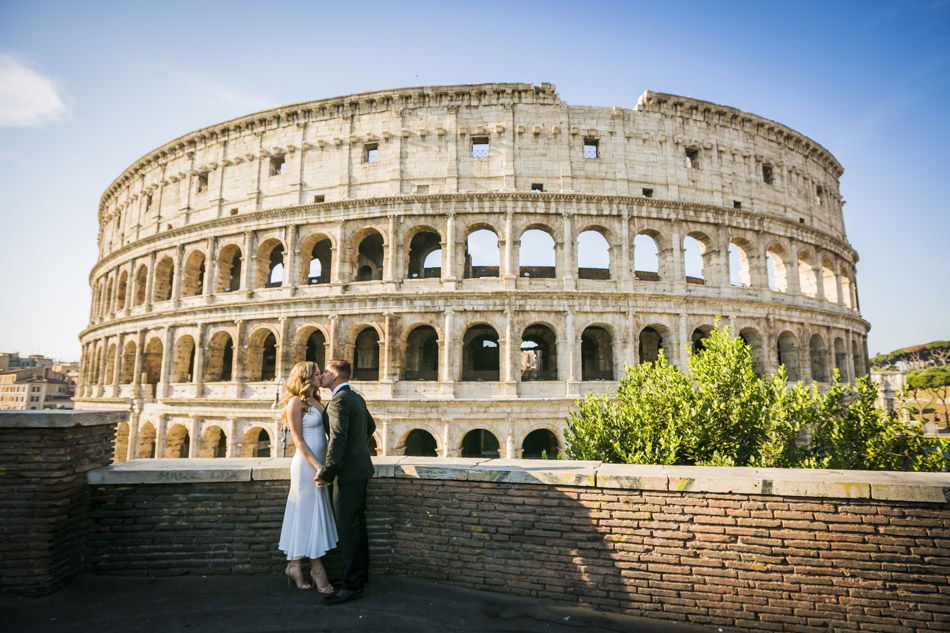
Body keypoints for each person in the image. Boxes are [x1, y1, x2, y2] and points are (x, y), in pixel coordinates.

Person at [316, 359, 376, 605]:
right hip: (361, 470)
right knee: (357, 526)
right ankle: (358, 577)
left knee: (348, 529)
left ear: (335, 375)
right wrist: (357, 449)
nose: (323, 376)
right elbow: (370, 427)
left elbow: (337, 439)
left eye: (326, 372)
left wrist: (327, 472)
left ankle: (351, 585)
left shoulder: (339, 401)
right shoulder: (356, 397)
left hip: (347, 474)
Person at [277, 361, 338, 594]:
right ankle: (315, 569)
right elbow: (298, 440)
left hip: (319, 463)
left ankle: (294, 566)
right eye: (315, 373)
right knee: (306, 514)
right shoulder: (295, 402)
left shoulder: (316, 401)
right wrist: (318, 467)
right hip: (306, 465)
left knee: (312, 514)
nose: (320, 375)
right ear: (305, 377)